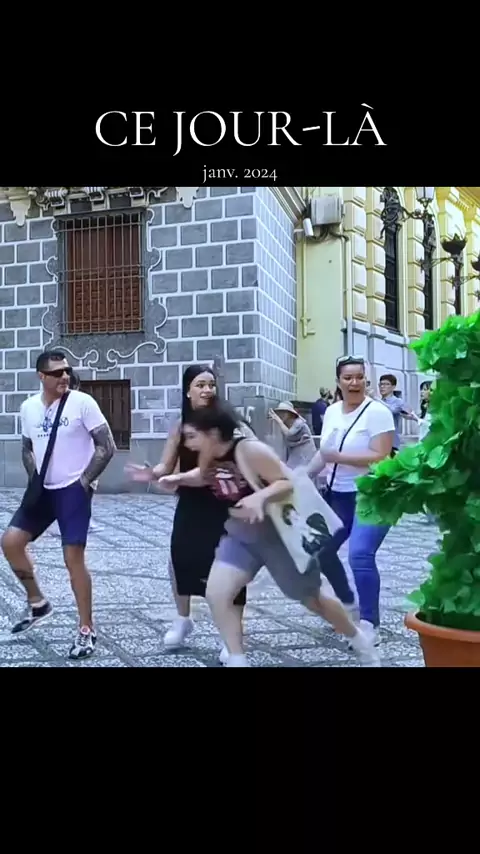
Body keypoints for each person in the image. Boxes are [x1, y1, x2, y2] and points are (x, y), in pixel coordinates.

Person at [157, 401, 381, 667]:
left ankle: (358, 639)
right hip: (241, 536)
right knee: (217, 593)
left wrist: (260, 497)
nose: (188, 443)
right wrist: (179, 479)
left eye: (193, 436)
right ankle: (237, 658)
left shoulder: (250, 450)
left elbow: (285, 483)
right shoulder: (208, 454)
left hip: (279, 537)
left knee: (312, 599)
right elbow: (207, 476)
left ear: (213, 433)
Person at [125, 365, 253, 663]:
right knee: (179, 558)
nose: (207, 390)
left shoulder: (230, 423)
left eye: (211, 384)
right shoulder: (180, 425)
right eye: (200, 385)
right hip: (192, 502)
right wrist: (151, 473)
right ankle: (183, 619)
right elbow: (166, 464)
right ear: (187, 391)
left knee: (230, 567)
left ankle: (232, 638)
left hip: (226, 503)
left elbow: (245, 456)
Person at [1, 349, 116, 660]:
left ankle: (86, 628)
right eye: (56, 373)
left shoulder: (82, 403)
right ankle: (38, 603)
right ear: (41, 376)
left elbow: (106, 446)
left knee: (72, 558)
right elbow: (26, 447)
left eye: (67, 371)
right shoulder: (28, 407)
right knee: (10, 542)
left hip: (73, 489)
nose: (64, 376)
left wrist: (84, 482)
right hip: (44, 489)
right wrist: (34, 477)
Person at [307, 355, 395, 647]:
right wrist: (301, 476)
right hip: (338, 496)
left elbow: (381, 455)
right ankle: (346, 606)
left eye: (359, 377)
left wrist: (339, 457)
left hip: (372, 494)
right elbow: (324, 453)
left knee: (360, 554)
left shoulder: (378, 412)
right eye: (348, 378)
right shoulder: (332, 411)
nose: (354, 382)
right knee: (321, 552)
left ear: (366, 380)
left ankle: (370, 624)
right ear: (338, 382)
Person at [268, 401, 317, 469]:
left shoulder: (299, 422)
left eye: (284, 412)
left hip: (306, 453)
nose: (281, 415)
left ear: (290, 414)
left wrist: (278, 420)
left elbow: (289, 434)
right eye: (280, 412)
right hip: (295, 453)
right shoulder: (285, 425)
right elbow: (286, 444)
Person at [377, 374, 414, 455]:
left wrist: (375, 399)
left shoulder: (398, 402)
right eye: (381, 384)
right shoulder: (376, 403)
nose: (382, 387)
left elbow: (392, 410)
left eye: (386, 384)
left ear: (393, 387)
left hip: (392, 443)